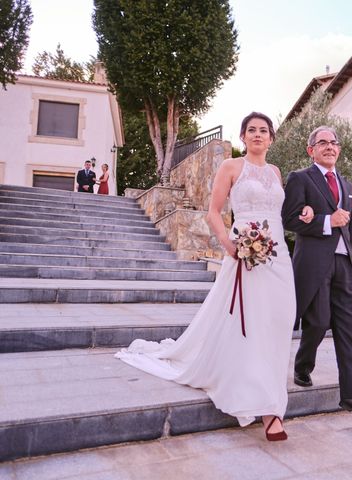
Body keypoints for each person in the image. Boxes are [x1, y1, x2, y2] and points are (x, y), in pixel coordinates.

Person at [115, 112, 314, 441]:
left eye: (264, 131)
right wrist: (230, 245)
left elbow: (283, 213)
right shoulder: (231, 167)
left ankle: (269, 386)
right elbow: (213, 211)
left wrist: (305, 212)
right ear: (243, 137)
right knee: (248, 320)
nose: (258, 135)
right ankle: (269, 408)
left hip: (277, 253)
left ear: (272, 138)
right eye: (251, 130)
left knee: (278, 320)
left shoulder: (277, 172)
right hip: (244, 252)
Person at [281, 125, 352, 424]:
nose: (329, 146)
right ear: (310, 149)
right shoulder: (300, 178)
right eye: (322, 142)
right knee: (318, 321)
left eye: (334, 142)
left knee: (348, 331)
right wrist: (326, 220)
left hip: (344, 265)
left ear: (339, 149)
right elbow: (288, 219)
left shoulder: (347, 184)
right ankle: (303, 365)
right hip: (313, 264)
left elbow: (349, 229)